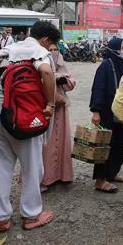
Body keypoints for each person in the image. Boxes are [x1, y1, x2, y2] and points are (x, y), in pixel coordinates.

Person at [0, 20, 61, 233]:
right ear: (45, 40)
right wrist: (51, 103)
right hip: (25, 116)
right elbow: (45, 72)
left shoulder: (10, 48)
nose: (50, 49)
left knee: (1, 165)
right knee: (32, 166)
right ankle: (31, 215)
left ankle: (1, 218)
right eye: (51, 44)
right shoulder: (38, 51)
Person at [89, 37, 123, 193]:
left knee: (118, 143)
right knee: (104, 146)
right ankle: (100, 180)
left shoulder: (120, 64)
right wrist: (95, 111)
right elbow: (98, 89)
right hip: (106, 113)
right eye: (122, 47)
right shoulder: (105, 66)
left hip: (118, 113)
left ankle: (112, 173)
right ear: (113, 49)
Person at [41, 42, 75, 191]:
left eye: (56, 50)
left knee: (62, 142)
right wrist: (52, 79)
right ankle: (45, 178)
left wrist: (64, 80)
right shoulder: (41, 65)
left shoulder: (62, 65)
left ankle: (62, 175)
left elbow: (71, 83)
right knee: (46, 144)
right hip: (46, 108)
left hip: (61, 109)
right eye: (50, 50)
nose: (54, 52)